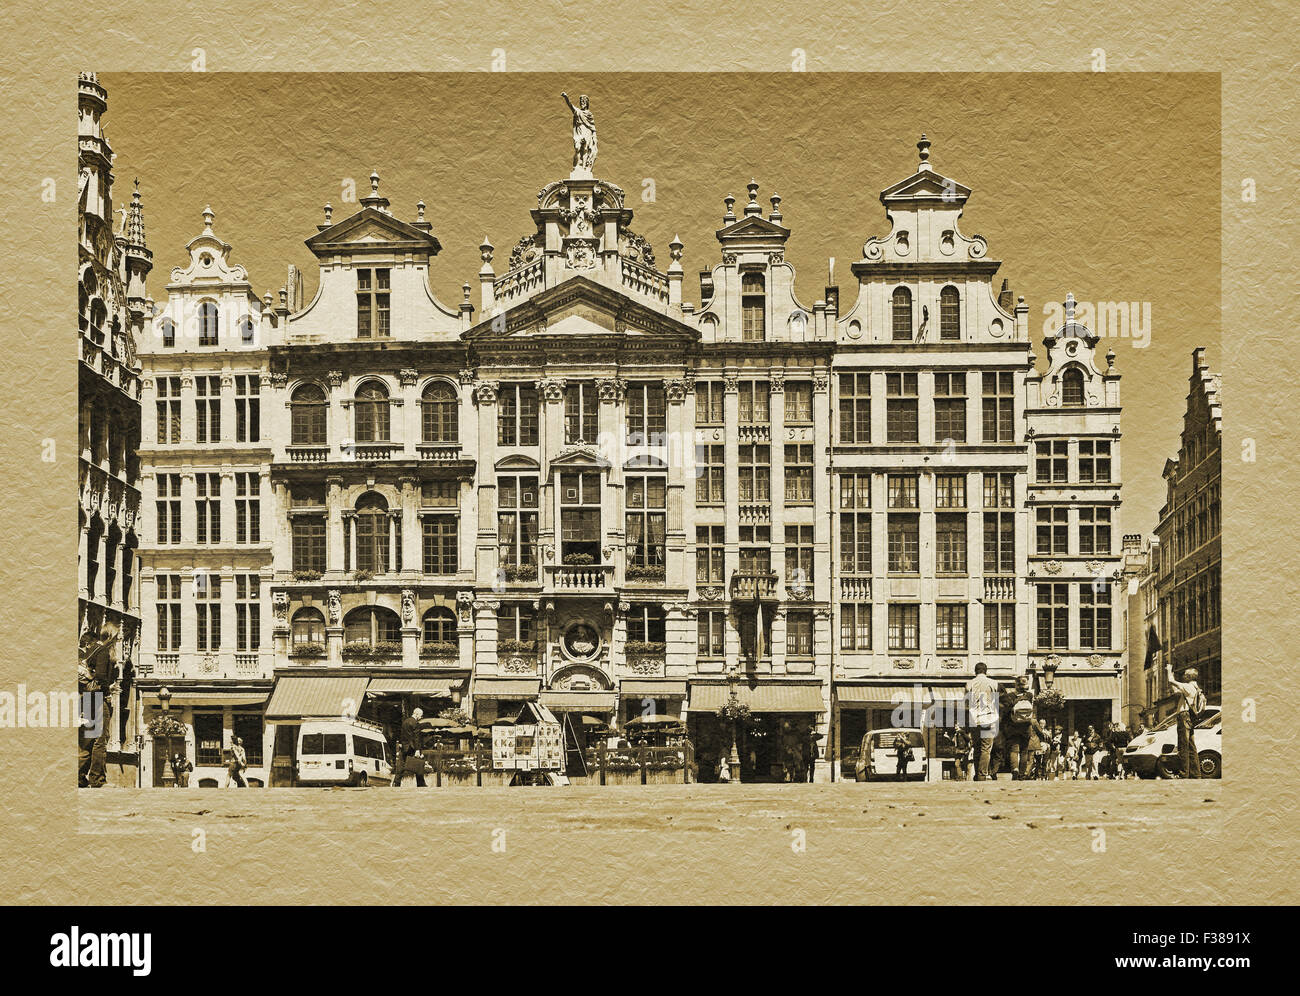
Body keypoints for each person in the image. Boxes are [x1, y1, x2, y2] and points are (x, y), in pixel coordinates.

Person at [999, 675, 1044, 780]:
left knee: (1014, 750)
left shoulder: (1010, 696)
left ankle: (1015, 769)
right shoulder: (1029, 695)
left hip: (1013, 727)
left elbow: (1005, 711)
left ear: (1016, 685)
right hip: (1026, 727)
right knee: (1024, 751)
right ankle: (1022, 773)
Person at [1167, 663, 1206, 778]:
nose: (1183, 676)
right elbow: (1175, 691)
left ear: (1189, 677)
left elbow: (1170, 680)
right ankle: (1196, 773)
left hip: (1184, 716)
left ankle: (1184, 774)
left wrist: (1169, 670)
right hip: (1191, 717)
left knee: (1183, 746)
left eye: (1185, 675)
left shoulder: (1188, 687)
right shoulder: (1196, 688)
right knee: (1191, 747)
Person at [964, 662, 1000, 781]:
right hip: (989, 719)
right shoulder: (993, 683)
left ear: (975, 671)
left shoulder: (969, 684)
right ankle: (982, 774)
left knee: (977, 747)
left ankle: (977, 774)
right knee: (986, 748)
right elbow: (999, 700)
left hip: (975, 720)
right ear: (986, 671)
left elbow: (966, 704)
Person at [397, 708, 426, 787]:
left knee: (401, 765)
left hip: (404, 747)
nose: (421, 717)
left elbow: (402, 734)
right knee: (418, 765)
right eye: (421, 715)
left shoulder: (405, 722)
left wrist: (401, 743)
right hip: (412, 747)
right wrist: (417, 750)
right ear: (416, 714)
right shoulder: (415, 723)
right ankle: (421, 784)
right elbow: (416, 738)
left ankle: (396, 782)